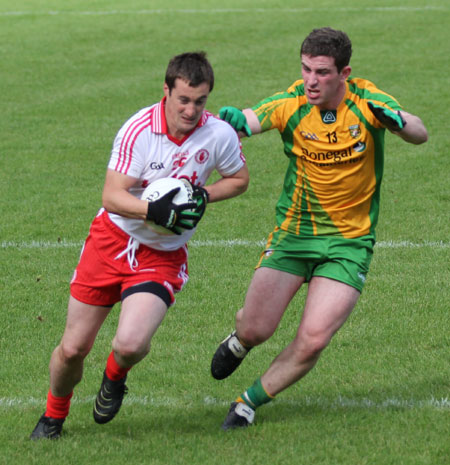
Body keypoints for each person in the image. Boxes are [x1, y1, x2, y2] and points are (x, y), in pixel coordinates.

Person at [210, 27, 428, 430]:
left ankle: (247, 403)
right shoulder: (293, 102)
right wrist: (236, 121)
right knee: (257, 327)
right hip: (294, 236)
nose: (311, 80)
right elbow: (253, 119)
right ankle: (240, 341)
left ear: (345, 73)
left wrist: (396, 122)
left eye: (322, 72)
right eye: (306, 69)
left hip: (349, 243)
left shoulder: (367, 101)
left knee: (313, 339)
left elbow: (419, 131)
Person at [31, 51, 249, 439]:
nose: (191, 110)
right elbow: (112, 196)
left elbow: (238, 179)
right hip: (111, 242)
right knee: (72, 349)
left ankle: (114, 378)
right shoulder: (138, 129)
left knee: (130, 345)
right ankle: (53, 416)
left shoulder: (218, 134)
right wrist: (155, 210)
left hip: (162, 255)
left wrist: (204, 195)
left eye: (200, 101)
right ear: (166, 91)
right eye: (183, 99)